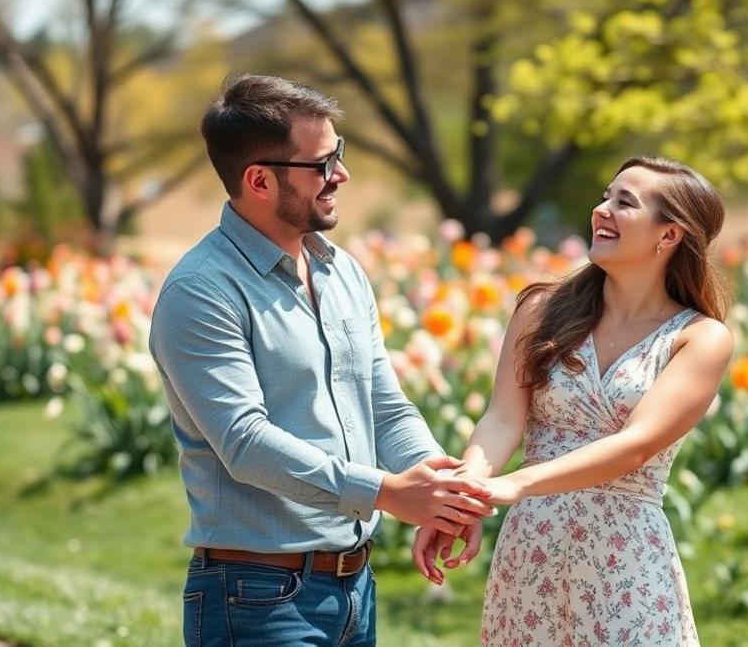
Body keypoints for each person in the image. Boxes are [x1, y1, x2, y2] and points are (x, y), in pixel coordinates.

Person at [148, 74, 492, 647]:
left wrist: (441, 492)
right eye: (322, 163)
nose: (341, 174)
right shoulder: (201, 291)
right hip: (254, 598)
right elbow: (244, 443)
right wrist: (387, 492)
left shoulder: (341, 270)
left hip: (356, 590)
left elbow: (384, 405)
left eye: (340, 154)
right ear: (258, 179)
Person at [412, 156, 734, 646]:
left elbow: (635, 447)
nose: (601, 209)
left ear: (668, 236)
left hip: (627, 558)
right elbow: (502, 418)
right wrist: (466, 496)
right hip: (531, 550)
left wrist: (515, 485)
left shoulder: (699, 338)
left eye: (624, 202)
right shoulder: (542, 310)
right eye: (605, 196)